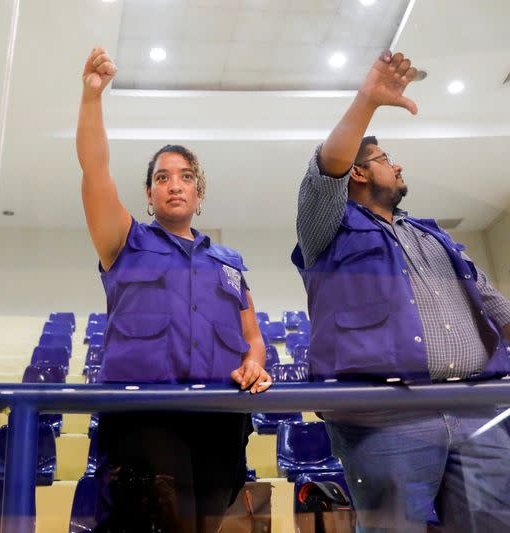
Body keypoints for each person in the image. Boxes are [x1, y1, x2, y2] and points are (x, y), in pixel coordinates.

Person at [292, 51, 510, 531]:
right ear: (360, 173)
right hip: (387, 417)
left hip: (477, 410)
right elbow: (326, 172)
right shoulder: (326, 231)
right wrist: (368, 101)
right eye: (385, 158)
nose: (398, 164)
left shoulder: (435, 235)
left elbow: (489, 299)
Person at [78, 47, 271, 533]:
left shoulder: (228, 263)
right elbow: (95, 171)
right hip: (144, 418)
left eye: (186, 177)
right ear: (148, 194)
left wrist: (254, 363)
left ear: (199, 194)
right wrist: (92, 99)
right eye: (162, 177)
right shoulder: (124, 241)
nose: (174, 185)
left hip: (219, 421)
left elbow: (253, 336)